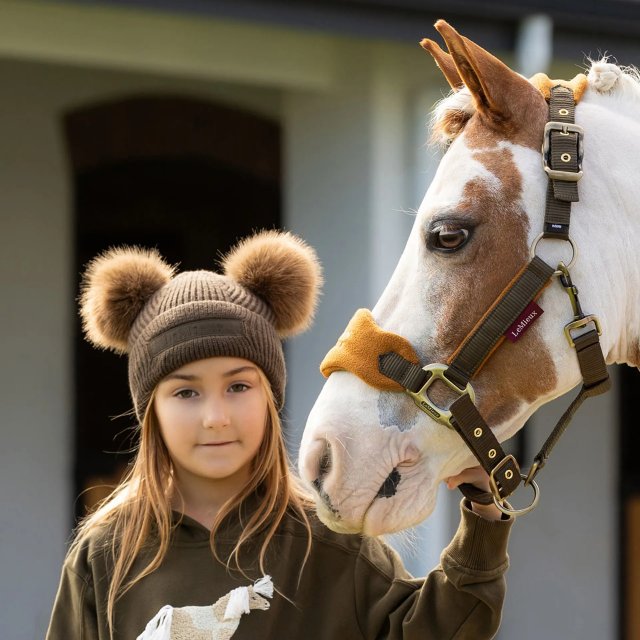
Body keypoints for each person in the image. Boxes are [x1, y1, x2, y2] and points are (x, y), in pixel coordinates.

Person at [46, 230, 514, 640]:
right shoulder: (105, 556)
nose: (215, 417)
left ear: (270, 397)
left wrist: (483, 514)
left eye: (238, 386)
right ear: (151, 412)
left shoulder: (330, 545)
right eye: (186, 393)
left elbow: (440, 629)